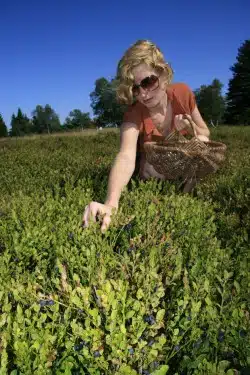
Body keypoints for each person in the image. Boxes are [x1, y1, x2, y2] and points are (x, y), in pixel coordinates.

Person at [82, 39, 210, 232]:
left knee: (202, 142)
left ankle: (187, 199)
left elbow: (205, 133)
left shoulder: (183, 94)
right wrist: (111, 203)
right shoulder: (134, 113)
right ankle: (173, 201)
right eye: (135, 88)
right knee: (151, 165)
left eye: (148, 82)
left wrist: (191, 128)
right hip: (152, 174)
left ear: (164, 74)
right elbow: (125, 156)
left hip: (180, 161)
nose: (142, 93)